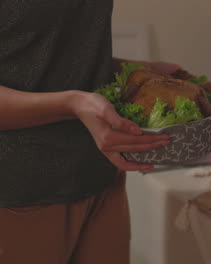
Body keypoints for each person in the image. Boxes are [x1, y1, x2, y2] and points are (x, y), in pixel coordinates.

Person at [0, 1, 181, 263]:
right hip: (20, 192)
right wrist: (72, 104)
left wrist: (137, 71)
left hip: (100, 179)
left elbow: (50, 56)